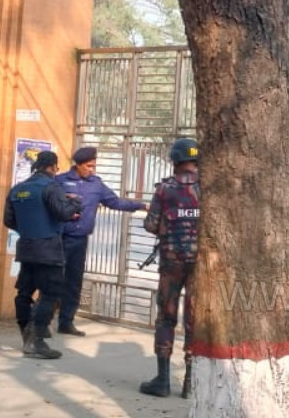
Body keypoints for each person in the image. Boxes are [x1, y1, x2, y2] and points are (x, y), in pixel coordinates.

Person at [54, 146, 146, 336]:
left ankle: (66, 322)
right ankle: (40, 324)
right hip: (59, 238)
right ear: (78, 165)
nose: (92, 170)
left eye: (94, 166)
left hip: (80, 241)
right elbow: (48, 204)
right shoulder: (60, 181)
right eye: (89, 166)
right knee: (52, 280)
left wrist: (141, 205)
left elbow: (115, 202)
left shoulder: (96, 184)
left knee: (74, 282)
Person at [5, 150, 82, 359]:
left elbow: (9, 221)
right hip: (48, 249)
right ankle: (36, 341)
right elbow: (63, 213)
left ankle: (26, 334)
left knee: (24, 293)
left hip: (26, 248)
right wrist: (75, 202)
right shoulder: (50, 186)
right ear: (53, 167)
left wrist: (29, 230)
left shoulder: (17, 190)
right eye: (56, 168)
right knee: (50, 293)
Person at [139, 137, 200, 399]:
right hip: (200, 266)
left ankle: (163, 381)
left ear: (174, 160)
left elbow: (151, 225)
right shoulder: (207, 189)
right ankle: (190, 383)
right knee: (194, 321)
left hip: (171, 263)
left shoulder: (164, 190)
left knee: (166, 317)